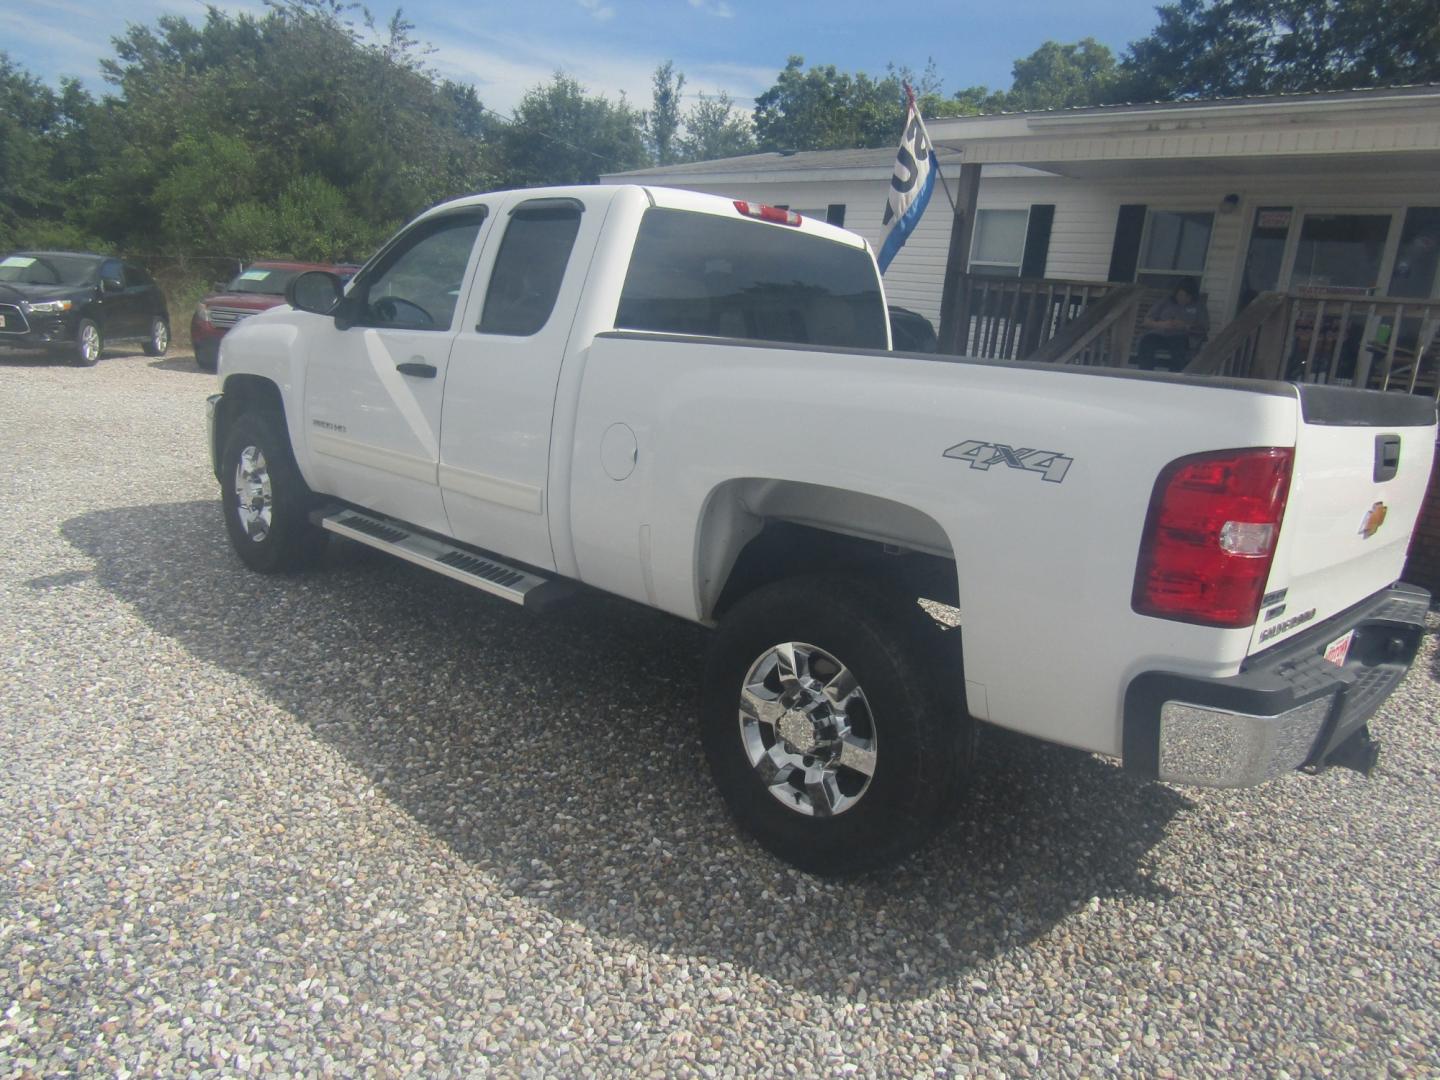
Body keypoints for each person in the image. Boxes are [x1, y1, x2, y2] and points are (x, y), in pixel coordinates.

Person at [1137, 278, 1208, 371]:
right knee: (1146, 341)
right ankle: (1146, 374)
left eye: (1186, 296)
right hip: (1161, 334)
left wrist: (1185, 326)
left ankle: (1174, 377)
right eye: (1180, 295)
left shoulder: (1199, 306)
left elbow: (1204, 328)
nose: (1182, 298)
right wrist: (1162, 324)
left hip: (1182, 337)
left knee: (1178, 347)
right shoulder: (1166, 301)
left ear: (1192, 296)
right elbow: (1147, 320)